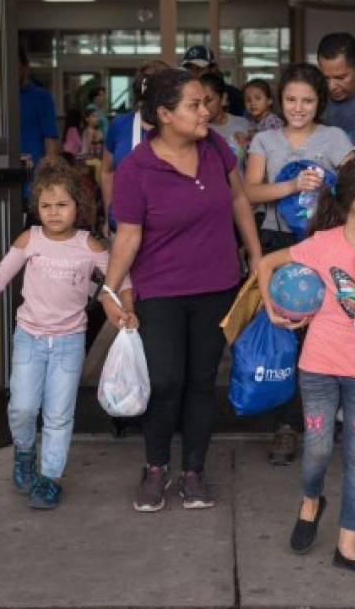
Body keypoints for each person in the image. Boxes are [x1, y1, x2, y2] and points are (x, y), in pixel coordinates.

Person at [100, 68, 262, 512]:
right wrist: (110, 290)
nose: (206, 110)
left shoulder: (215, 148)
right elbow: (128, 236)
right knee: (166, 380)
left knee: (200, 381)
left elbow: (239, 201)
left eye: (205, 102)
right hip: (161, 290)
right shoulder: (136, 168)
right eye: (194, 104)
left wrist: (257, 257)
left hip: (217, 284)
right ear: (165, 114)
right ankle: (156, 467)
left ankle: (193, 470)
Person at [257, 155, 355, 577]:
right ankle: (311, 501)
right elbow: (265, 263)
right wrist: (274, 308)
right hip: (321, 364)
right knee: (318, 449)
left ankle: (348, 546)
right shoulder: (323, 243)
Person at [0, 162, 132, 509]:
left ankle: (50, 478)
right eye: (46, 206)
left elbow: (120, 280)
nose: (53, 213)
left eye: (62, 205)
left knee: (59, 414)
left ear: (77, 206)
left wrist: (126, 307)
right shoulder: (30, 239)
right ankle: (23, 451)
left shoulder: (89, 246)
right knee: (21, 407)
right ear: (37, 207)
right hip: (29, 339)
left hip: (68, 343)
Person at [244, 62, 355, 465]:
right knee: (285, 338)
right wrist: (292, 185)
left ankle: (324, 422)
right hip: (279, 244)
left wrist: (328, 184)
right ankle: (286, 427)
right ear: (280, 100)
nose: (298, 107)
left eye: (307, 100)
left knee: (325, 335)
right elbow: (251, 192)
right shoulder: (265, 141)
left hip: (324, 244)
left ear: (319, 102)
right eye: (291, 99)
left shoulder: (335, 137)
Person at [99, 60, 171, 237]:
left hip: (166, 230)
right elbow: (107, 172)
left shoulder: (177, 128)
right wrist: (109, 214)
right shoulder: (120, 125)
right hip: (123, 225)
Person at [18, 45, 60, 216]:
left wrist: (48, 184)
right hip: (0, 183)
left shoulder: (41, 97)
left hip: (31, 184)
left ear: (25, 66)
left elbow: (51, 142)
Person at [199, 72, 253, 166]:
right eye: (199, 101)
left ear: (223, 98)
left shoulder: (244, 125)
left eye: (209, 100)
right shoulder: (198, 131)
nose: (203, 106)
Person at [181, 45, 245, 116]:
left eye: (199, 69)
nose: (194, 74)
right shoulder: (183, 94)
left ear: (213, 68)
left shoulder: (233, 95)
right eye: (190, 70)